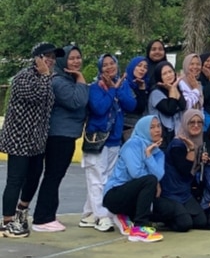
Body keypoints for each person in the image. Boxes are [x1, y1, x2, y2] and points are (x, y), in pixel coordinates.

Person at [0, 42, 58, 238]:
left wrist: (47, 77)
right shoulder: (23, 77)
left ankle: (21, 211)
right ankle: (6, 222)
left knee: (34, 177)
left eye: (53, 57)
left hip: (37, 141)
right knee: (15, 180)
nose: (51, 60)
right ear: (37, 58)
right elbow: (36, 96)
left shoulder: (48, 79)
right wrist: (45, 76)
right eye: (47, 56)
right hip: (19, 139)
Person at [31, 44, 89, 232]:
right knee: (53, 176)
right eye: (71, 58)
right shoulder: (58, 81)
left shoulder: (68, 80)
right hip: (59, 136)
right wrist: (81, 78)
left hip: (67, 135)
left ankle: (48, 216)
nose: (76, 61)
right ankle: (42, 219)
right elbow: (77, 102)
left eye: (78, 57)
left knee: (55, 176)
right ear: (63, 61)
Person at [80, 53, 136, 233]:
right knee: (97, 178)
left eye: (112, 63)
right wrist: (112, 90)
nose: (110, 67)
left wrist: (118, 88)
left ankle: (89, 213)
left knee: (109, 178)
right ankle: (102, 216)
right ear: (100, 68)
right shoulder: (94, 87)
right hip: (97, 139)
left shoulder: (122, 84)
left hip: (114, 139)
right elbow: (99, 108)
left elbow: (131, 105)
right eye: (105, 65)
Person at [102, 115, 165, 243]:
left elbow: (159, 175)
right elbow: (136, 173)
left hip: (132, 197)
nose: (157, 130)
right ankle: (139, 228)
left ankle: (123, 215)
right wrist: (153, 181)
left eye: (158, 126)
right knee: (150, 180)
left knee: (168, 209)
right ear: (143, 129)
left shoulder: (158, 152)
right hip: (114, 195)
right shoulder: (133, 144)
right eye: (152, 127)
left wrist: (148, 155)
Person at [152, 108, 208, 232]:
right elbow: (184, 170)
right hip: (170, 192)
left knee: (201, 221)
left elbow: (193, 172)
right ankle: (163, 218)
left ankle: (179, 214)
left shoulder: (198, 142)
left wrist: (200, 161)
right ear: (185, 123)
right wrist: (191, 150)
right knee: (184, 224)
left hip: (184, 192)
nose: (196, 125)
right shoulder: (178, 144)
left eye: (199, 122)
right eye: (191, 122)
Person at [148, 61, 187, 146]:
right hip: (162, 136)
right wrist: (172, 89)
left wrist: (173, 88)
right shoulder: (155, 93)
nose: (169, 75)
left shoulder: (175, 87)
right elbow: (170, 110)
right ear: (159, 77)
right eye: (164, 74)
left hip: (176, 133)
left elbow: (183, 105)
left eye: (170, 71)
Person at [122, 56, 150, 140]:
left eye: (145, 67)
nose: (142, 69)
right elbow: (138, 108)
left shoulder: (144, 85)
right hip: (127, 129)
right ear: (132, 66)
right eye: (139, 65)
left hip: (140, 129)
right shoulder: (124, 85)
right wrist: (142, 89)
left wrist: (142, 88)